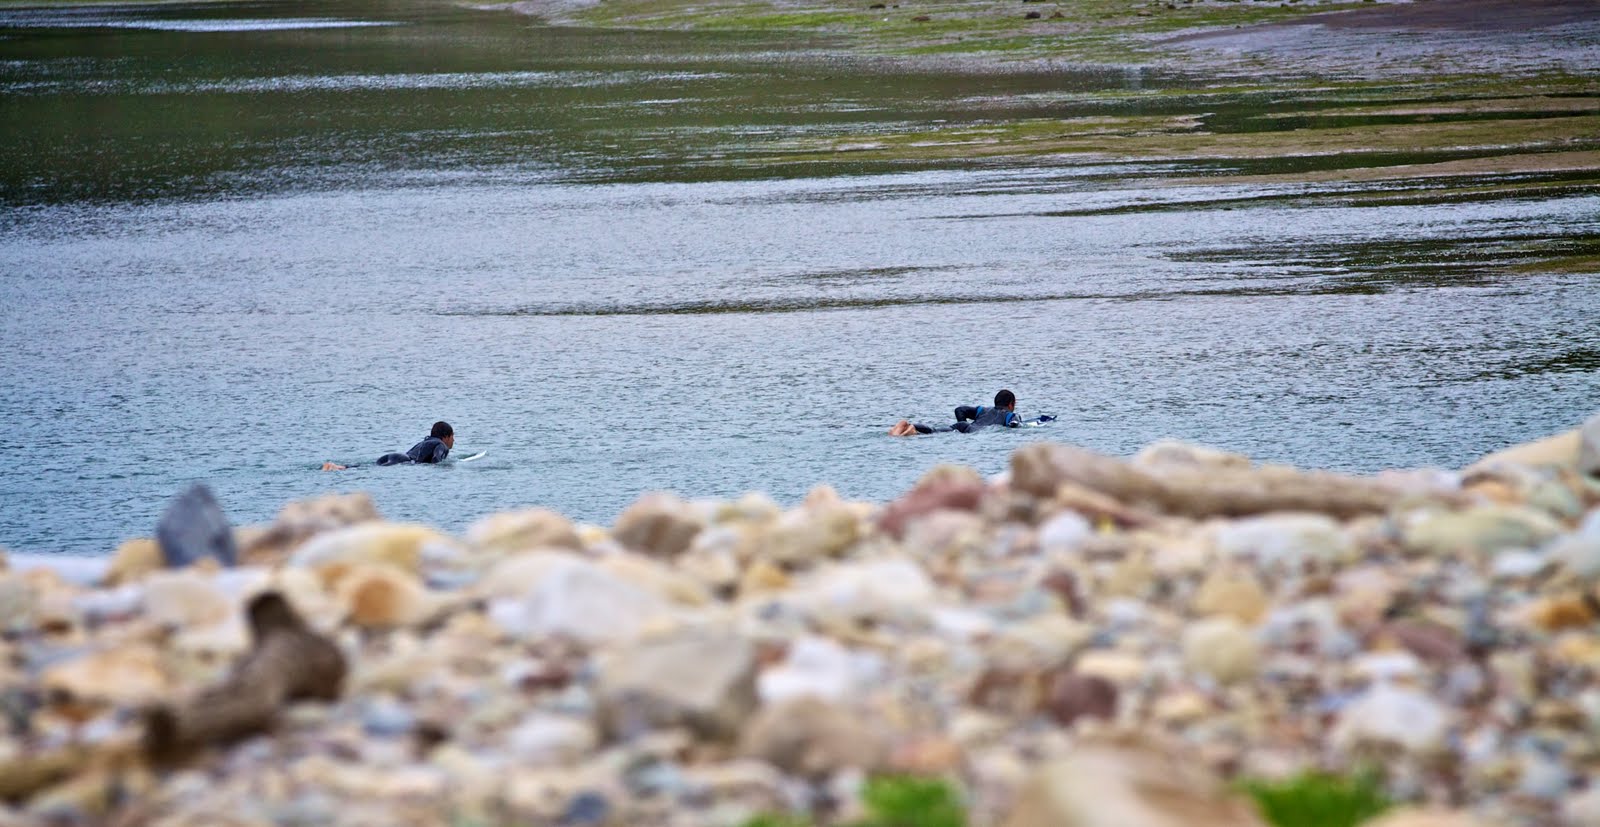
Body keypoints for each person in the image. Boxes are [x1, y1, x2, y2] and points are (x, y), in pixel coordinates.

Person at [321, 421, 454, 471]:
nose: (453, 440)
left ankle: (340, 467)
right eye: (452, 436)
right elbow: (437, 460)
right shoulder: (441, 444)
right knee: (371, 469)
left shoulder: (424, 442)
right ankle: (337, 468)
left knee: (371, 466)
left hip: (395, 456)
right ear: (446, 436)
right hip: (403, 461)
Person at [889, 390, 1031, 436]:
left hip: (964, 426)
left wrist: (967, 427)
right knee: (936, 434)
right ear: (1011, 404)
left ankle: (909, 425)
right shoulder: (1011, 415)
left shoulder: (983, 410)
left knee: (935, 431)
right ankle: (910, 430)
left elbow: (960, 410)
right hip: (974, 432)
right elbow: (1013, 424)